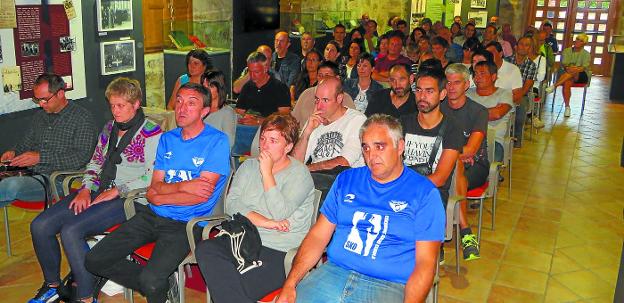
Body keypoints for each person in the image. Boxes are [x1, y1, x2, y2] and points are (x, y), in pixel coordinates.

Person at [85, 83, 231, 303]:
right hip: (152, 215)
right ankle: (160, 285)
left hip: (186, 223)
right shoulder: (168, 139)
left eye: (191, 103)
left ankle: (154, 284)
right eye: (179, 101)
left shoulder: (217, 141)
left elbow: (200, 195)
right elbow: (153, 190)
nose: (182, 108)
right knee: (94, 260)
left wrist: (162, 194)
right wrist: (182, 186)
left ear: (205, 111)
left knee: (151, 279)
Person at [276, 114, 445, 303]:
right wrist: (290, 284)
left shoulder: (424, 193)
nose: (371, 156)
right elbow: (318, 236)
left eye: (380, 146)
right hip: (333, 274)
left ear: (400, 146)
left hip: (388, 284)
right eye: (366, 148)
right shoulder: (346, 181)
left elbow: (425, 264)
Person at [28, 78, 163, 303]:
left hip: (130, 199)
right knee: (40, 225)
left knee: (71, 231)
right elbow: (95, 163)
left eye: (121, 105)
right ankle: (52, 285)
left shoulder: (151, 132)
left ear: (136, 103)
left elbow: (151, 177)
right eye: (112, 105)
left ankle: (86, 297)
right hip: (99, 189)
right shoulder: (109, 128)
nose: (115, 111)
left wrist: (117, 190)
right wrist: (85, 189)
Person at [196, 114, 314, 303]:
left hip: (278, 249)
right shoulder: (248, 166)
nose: (265, 146)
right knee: (205, 249)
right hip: (242, 238)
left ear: (289, 147)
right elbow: (232, 205)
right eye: (263, 139)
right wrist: (267, 222)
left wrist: (267, 173)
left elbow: (280, 212)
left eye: (273, 141)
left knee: (234, 283)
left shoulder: (300, 174)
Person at [0, 73, 97, 207]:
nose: (41, 104)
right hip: (30, 174)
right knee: (6, 187)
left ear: (60, 94)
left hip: (58, 180)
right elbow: (25, 144)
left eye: (45, 99)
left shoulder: (82, 118)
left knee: (10, 186)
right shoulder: (39, 117)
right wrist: (13, 152)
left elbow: (81, 158)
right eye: (37, 100)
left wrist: (41, 157)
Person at [400, 69, 463, 264]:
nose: (422, 96)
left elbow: (440, 178)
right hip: (401, 189)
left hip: (430, 194)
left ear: (442, 94)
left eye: (429, 91)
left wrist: (402, 187)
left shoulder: (452, 130)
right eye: (418, 90)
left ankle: (431, 246)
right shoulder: (403, 123)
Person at [292, 78, 367, 199]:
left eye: (325, 100)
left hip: (344, 184)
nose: (319, 106)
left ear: (339, 98)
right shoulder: (314, 120)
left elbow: (344, 163)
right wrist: (306, 133)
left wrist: (306, 169)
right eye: (317, 100)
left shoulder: (357, 120)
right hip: (316, 182)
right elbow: (294, 164)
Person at [442, 64, 488, 261]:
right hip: (446, 165)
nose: (451, 87)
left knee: (451, 171)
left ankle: (440, 241)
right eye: (448, 82)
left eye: (457, 82)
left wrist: (449, 154)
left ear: (467, 84)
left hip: (475, 166)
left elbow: (471, 150)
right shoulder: (438, 107)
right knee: (447, 173)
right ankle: (465, 231)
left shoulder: (478, 111)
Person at [235, 51, 291, 154]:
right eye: (250, 72)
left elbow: (284, 116)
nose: (252, 76)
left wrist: (259, 121)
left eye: (256, 72)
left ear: (265, 69)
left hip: (268, 131)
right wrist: (244, 118)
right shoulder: (248, 87)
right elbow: (238, 111)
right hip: (246, 128)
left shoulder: (279, 87)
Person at [466, 61, 514, 162]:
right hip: (467, 139)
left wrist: (469, 113)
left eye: (482, 73)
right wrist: (487, 112)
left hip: (492, 142)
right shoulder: (467, 94)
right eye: (475, 74)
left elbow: (496, 114)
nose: (477, 77)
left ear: (493, 77)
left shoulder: (504, 93)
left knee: (483, 168)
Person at [291, 61, 356, 128]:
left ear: (337, 78)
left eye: (327, 76)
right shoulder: (306, 94)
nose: (323, 79)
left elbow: (352, 123)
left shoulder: (344, 98)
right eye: (320, 75)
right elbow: (293, 120)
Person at [545, 33, 591, 117]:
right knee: (567, 82)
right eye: (577, 39)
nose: (577, 41)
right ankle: (567, 107)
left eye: (580, 41)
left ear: (584, 44)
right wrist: (570, 68)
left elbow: (583, 67)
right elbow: (564, 64)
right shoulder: (566, 51)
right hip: (567, 72)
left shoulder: (586, 54)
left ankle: (554, 86)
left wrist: (574, 68)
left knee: (574, 72)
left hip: (580, 75)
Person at [506, 36, 537, 147]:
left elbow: (527, 86)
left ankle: (516, 139)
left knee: (520, 114)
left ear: (530, 49)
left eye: (526, 45)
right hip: (505, 92)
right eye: (521, 44)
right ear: (516, 46)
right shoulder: (507, 60)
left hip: (521, 94)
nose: (523, 47)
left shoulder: (531, 65)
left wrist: (516, 97)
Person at [202, 70, 237, 150]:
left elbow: (228, 143)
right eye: (204, 86)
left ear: (219, 88)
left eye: (210, 86)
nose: (205, 90)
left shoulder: (227, 113)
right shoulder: (200, 110)